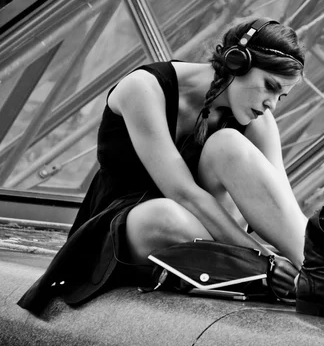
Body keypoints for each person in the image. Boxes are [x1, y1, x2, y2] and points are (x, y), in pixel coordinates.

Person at [18, 17, 307, 313]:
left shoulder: (259, 121)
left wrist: (310, 264)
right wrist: (264, 260)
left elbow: (281, 204)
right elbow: (182, 193)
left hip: (209, 239)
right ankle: (254, 272)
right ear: (237, 63)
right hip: (134, 229)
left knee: (228, 143)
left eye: (281, 96)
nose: (273, 103)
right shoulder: (143, 88)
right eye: (269, 87)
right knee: (165, 214)